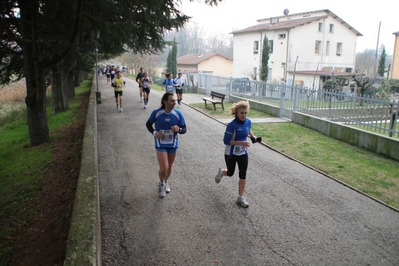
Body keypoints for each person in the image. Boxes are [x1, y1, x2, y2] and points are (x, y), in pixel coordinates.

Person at [214, 100, 261, 208]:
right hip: (231, 152)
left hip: (243, 152)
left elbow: (248, 130)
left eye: (245, 113)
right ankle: (222, 172)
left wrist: (253, 137)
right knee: (230, 173)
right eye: (241, 113)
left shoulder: (248, 122)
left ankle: (240, 198)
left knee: (243, 174)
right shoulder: (232, 125)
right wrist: (240, 143)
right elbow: (226, 141)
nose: (244, 115)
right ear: (236, 112)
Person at [145, 92, 187, 198]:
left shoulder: (178, 114)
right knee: (164, 167)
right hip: (160, 143)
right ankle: (162, 184)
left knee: (169, 167)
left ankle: (166, 181)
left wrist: (179, 129)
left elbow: (184, 129)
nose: (174, 102)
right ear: (165, 102)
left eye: (175, 100)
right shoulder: (157, 113)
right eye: (172, 100)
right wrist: (154, 133)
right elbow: (148, 124)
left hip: (173, 143)